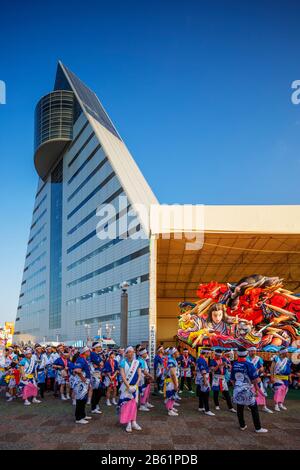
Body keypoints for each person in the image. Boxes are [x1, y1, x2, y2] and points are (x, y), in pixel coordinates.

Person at [230, 346, 268, 433]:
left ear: (237, 354)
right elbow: (255, 380)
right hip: (247, 390)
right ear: (246, 354)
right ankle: (258, 428)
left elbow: (232, 380)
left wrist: (236, 387)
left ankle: (242, 425)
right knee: (254, 408)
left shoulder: (234, 364)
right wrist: (257, 389)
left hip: (237, 389)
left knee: (240, 406)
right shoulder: (249, 365)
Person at [118, 346, 142, 433]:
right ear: (126, 353)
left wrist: (135, 386)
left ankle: (134, 422)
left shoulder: (137, 362)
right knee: (126, 404)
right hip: (126, 387)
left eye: (132, 352)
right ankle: (128, 422)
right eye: (129, 352)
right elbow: (123, 376)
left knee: (134, 404)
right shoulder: (122, 362)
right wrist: (128, 387)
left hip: (135, 387)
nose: (131, 353)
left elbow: (139, 375)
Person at [247, 347, 273, 413]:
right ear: (249, 352)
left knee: (261, 392)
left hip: (257, 378)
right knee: (250, 393)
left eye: (254, 351)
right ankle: (250, 405)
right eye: (251, 351)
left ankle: (263, 406)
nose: (253, 352)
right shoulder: (246, 359)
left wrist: (261, 370)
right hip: (248, 379)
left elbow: (261, 367)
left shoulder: (258, 359)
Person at [209, 349, 236, 413]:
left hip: (223, 378)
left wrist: (227, 365)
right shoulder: (212, 361)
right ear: (215, 355)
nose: (220, 357)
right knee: (216, 392)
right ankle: (217, 405)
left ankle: (231, 407)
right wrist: (219, 365)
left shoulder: (224, 359)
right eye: (218, 356)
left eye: (220, 356)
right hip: (216, 377)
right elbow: (213, 370)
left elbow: (228, 367)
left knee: (226, 393)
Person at [73, 346, 92, 424]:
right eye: (88, 351)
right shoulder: (81, 360)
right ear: (85, 352)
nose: (89, 352)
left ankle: (83, 415)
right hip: (81, 382)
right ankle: (78, 418)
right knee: (80, 400)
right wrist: (83, 378)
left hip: (84, 382)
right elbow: (77, 370)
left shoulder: (84, 359)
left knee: (83, 399)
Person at [270, 347, 292, 412]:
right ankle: (276, 404)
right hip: (277, 377)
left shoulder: (287, 360)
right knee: (278, 390)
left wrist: (290, 377)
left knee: (285, 391)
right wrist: (272, 377)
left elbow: (289, 369)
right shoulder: (276, 359)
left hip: (285, 378)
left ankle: (280, 403)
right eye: (286, 352)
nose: (287, 353)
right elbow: (272, 368)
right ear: (283, 353)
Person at [195, 348, 215, 416]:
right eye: (209, 353)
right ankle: (207, 410)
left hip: (201, 378)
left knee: (202, 393)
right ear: (206, 353)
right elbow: (203, 371)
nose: (209, 355)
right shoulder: (201, 360)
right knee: (206, 394)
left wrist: (209, 369)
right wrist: (205, 380)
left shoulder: (200, 359)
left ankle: (201, 407)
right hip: (203, 378)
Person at [164, 347, 180, 416]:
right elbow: (173, 374)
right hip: (171, 381)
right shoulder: (171, 361)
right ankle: (169, 410)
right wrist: (176, 384)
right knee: (171, 395)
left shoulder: (173, 360)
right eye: (177, 352)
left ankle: (171, 407)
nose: (178, 353)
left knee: (173, 395)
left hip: (172, 380)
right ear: (173, 354)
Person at [90, 342, 104, 414]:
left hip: (98, 374)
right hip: (95, 374)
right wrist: (99, 364)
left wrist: (99, 364)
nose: (100, 348)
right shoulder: (93, 354)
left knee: (98, 391)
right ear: (95, 348)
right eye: (99, 347)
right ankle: (94, 407)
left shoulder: (98, 354)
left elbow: (102, 363)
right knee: (97, 391)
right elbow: (100, 363)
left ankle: (95, 405)